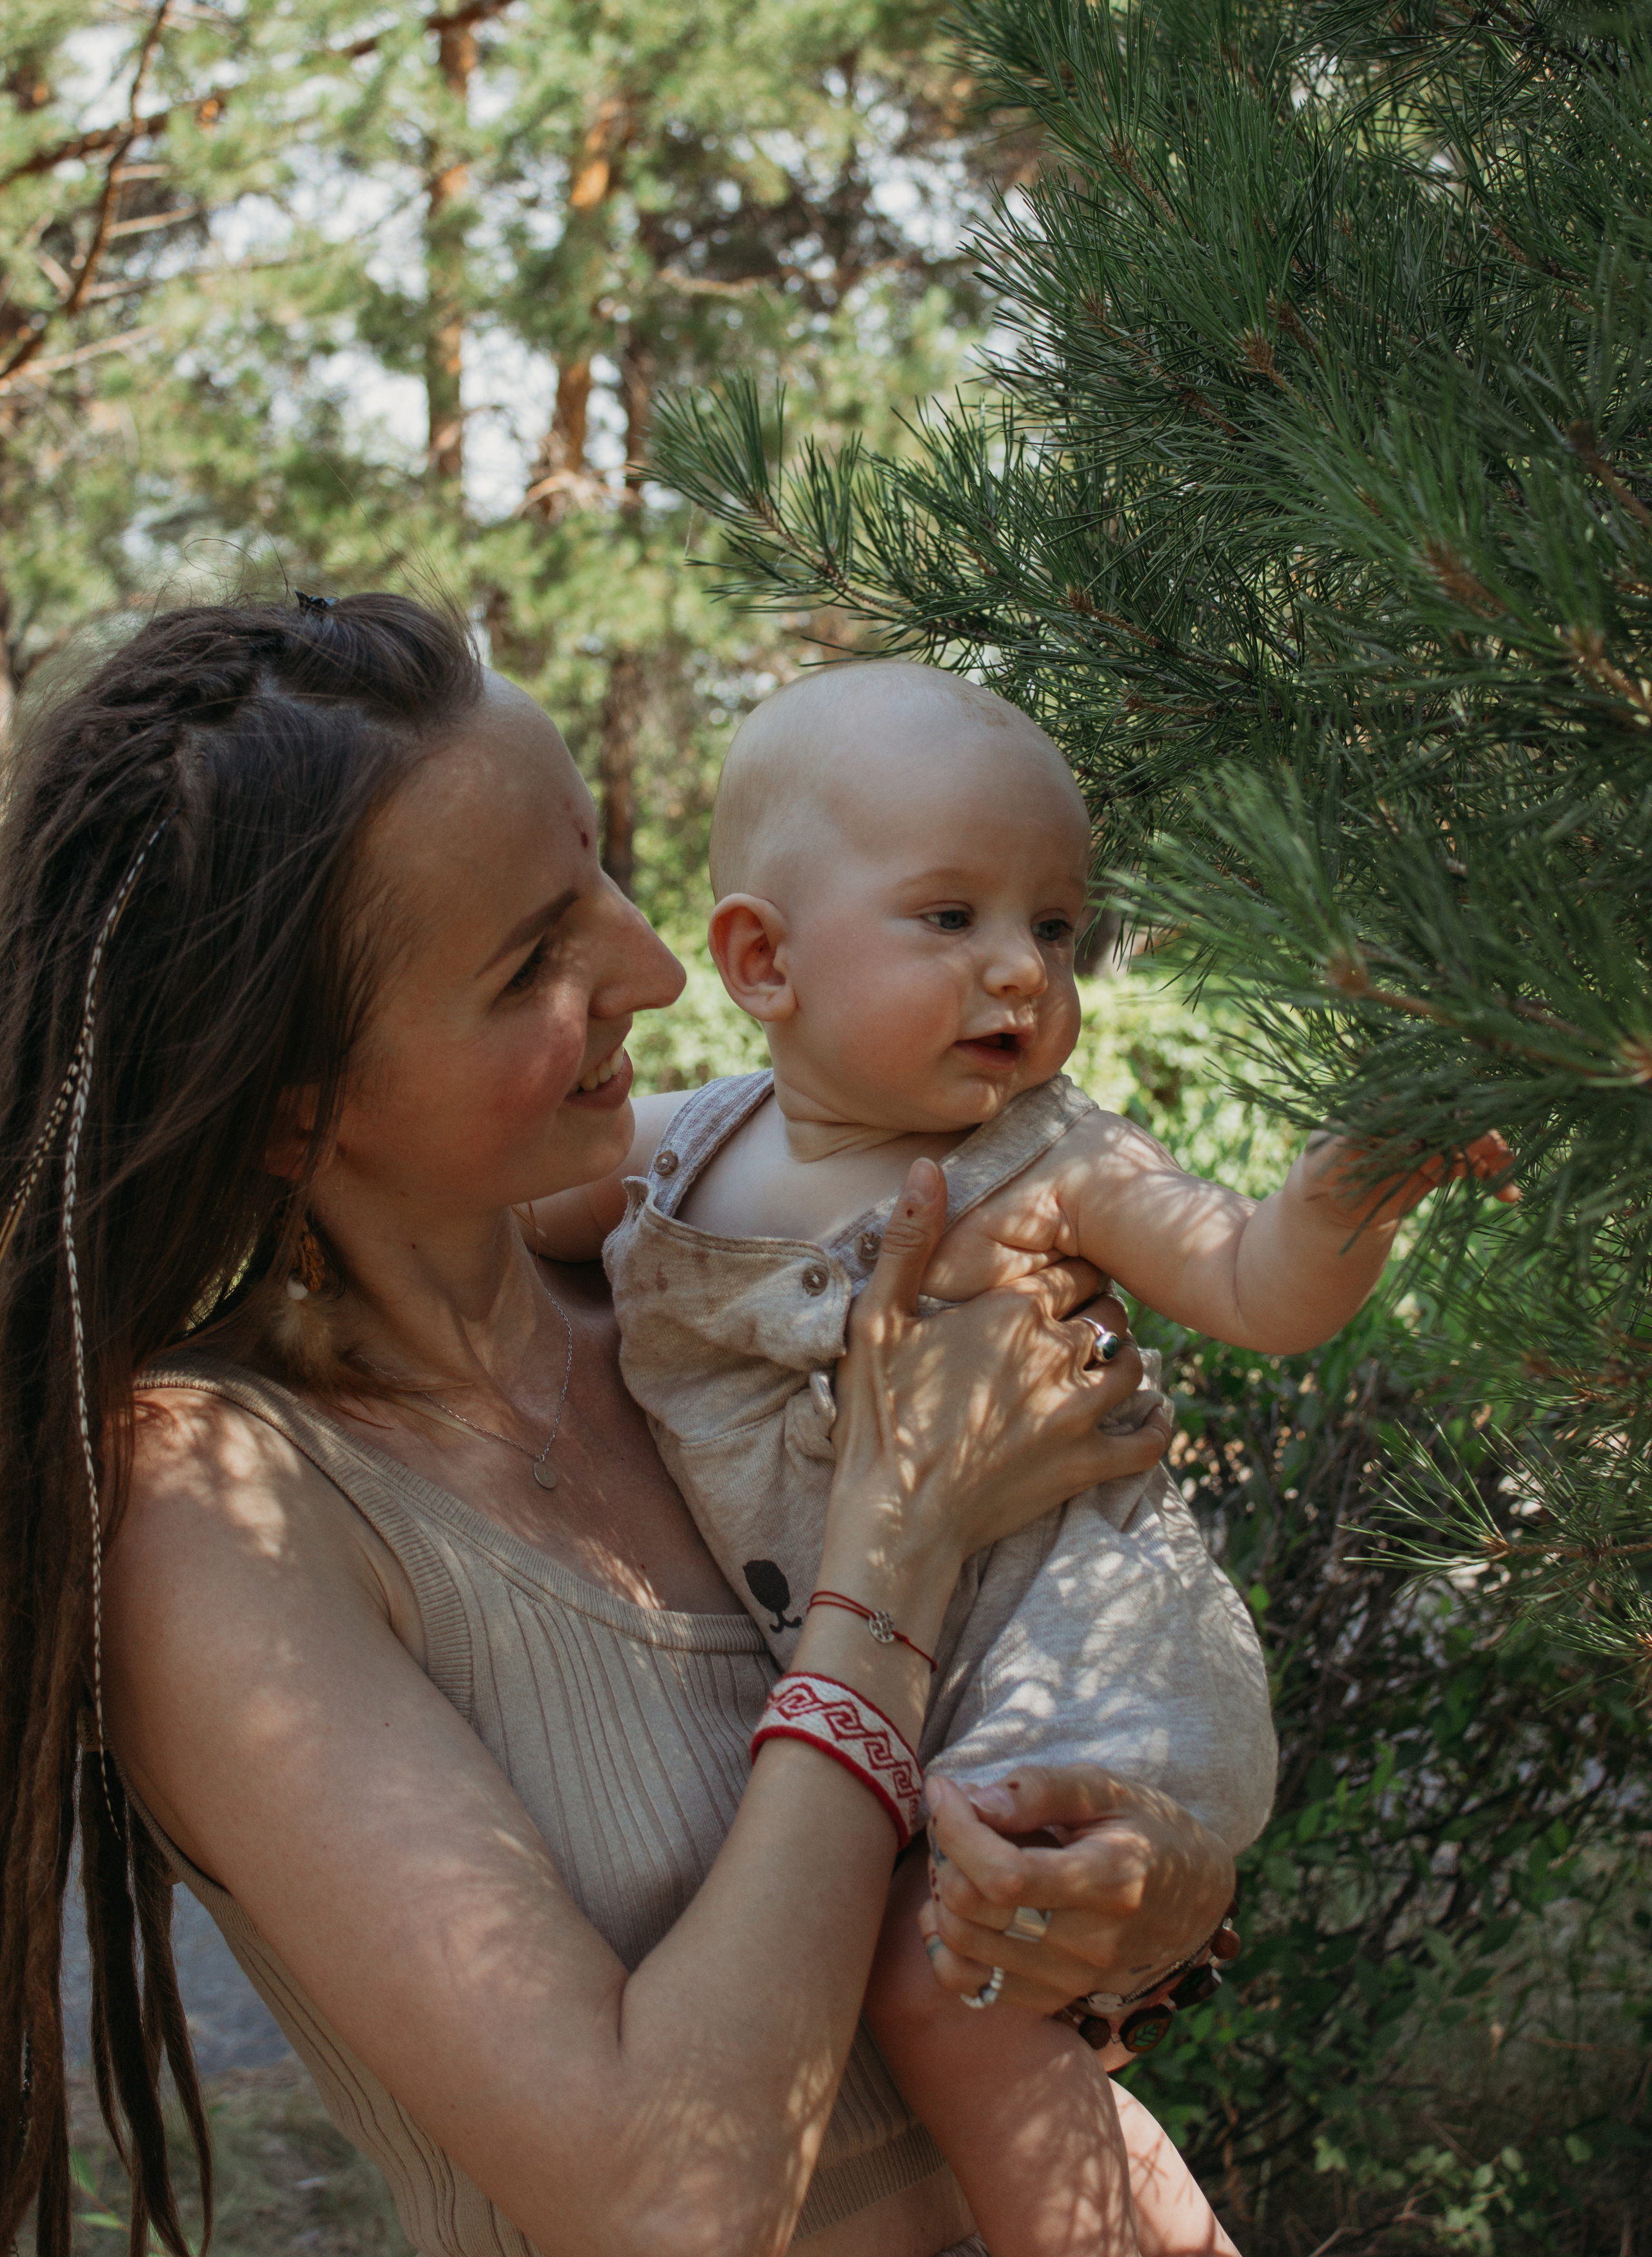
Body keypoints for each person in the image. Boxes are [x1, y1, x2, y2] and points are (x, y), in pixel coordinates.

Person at [0, 592, 1242, 2257]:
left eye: (594, 871)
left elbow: (1042, 1765)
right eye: (534, 960)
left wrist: (1145, 1883)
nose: (655, 970)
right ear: (295, 1103)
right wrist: (895, 1546)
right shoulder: (216, 1509)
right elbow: (663, 2205)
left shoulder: (714, 1303)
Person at [530, 660, 1516, 2257]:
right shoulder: (681, 1152)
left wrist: (1345, 1184)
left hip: (1089, 1662)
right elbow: (492, 1205)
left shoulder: (1057, 1159)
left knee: (940, 1983)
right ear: (762, 959)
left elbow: (1257, 1285)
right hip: (913, 1683)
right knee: (944, 1975)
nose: (1021, 971)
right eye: (951, 916)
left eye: (1054, 928)